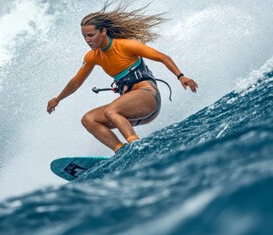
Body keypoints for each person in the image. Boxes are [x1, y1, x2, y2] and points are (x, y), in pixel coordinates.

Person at [47, 2, 198, 153]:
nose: (87, 40)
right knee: (88, 119)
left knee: (111, 110)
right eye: (84, 36)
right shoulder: (93, 56)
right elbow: (76, 81)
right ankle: (121, 151)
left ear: (103, 31)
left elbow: (162, 57)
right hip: (133, 113)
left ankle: (135, 146)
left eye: (91, 35)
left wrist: (180, 76)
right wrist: (58, 98)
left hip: (148, 97)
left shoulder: (126, 45)